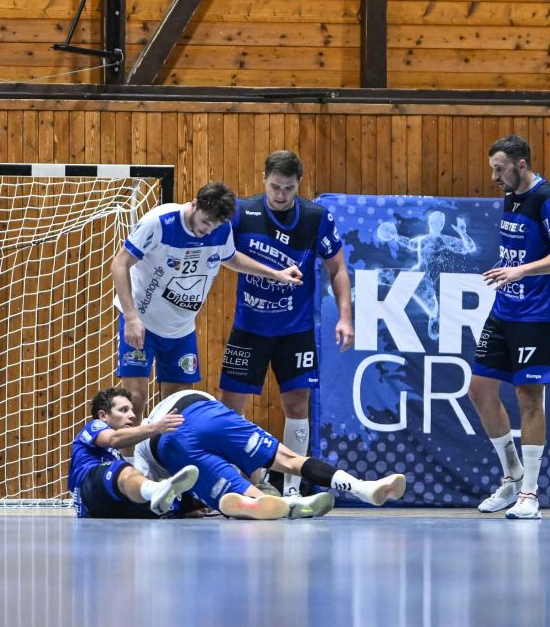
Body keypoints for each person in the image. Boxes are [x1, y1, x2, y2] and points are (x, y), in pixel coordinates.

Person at [217, 151, 353, 499]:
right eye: (275, 187)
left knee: (296, 404)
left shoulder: (315, 217)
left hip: (295, 330)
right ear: (264, 178)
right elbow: (224, 254)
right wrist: (273, 273)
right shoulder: (242, 212)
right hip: (249, 328)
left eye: (289, 189)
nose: (280, 195)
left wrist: (345, 317)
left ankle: (292, 490)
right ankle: (238, 486)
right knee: (231, 406)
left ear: (299, 184)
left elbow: (337, 268)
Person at [110, 181, 302, 415]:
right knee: (135, 402)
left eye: (215, 225)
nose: (208, 230)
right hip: (142, 322)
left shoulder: (221, 228)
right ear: (194, 205)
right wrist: (131, 318)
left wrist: (276, 274)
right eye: (205, 222)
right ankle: (127, 443)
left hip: (181, 329)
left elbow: (230, 258)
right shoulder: (159, 222)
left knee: (177, 409)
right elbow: (119, 264)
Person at [466, 135, 550, 521]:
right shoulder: (511, 195)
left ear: (522, 165)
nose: (494, 177)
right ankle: (512, 475)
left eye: (500, 169)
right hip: (504, 311)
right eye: (492, 169)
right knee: (479, 390)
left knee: (529, 398)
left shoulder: (547, 198)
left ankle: (529, 494)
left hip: (538, 316)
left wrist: (522, 271)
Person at [135, 389, 407, 520]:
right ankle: (363, 487)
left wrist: (188, 506)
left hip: (168, 443)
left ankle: (283, 504)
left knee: (247, 498)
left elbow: (148, 499)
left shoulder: (138, 448)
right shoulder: (153, 417)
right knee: (290, 460)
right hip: (198, 407)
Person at [67, 387, 199, 519]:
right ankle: (156, 489)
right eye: (124, 410)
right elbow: (113, 439)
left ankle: (177, 499)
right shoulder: (94, 426)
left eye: (131, 410)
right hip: (88, 486)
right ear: (103, 415)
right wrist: (155, 427)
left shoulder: (116, 456)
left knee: (170, 506)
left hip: (103, 508)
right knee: (123, 470)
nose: (132, 415)